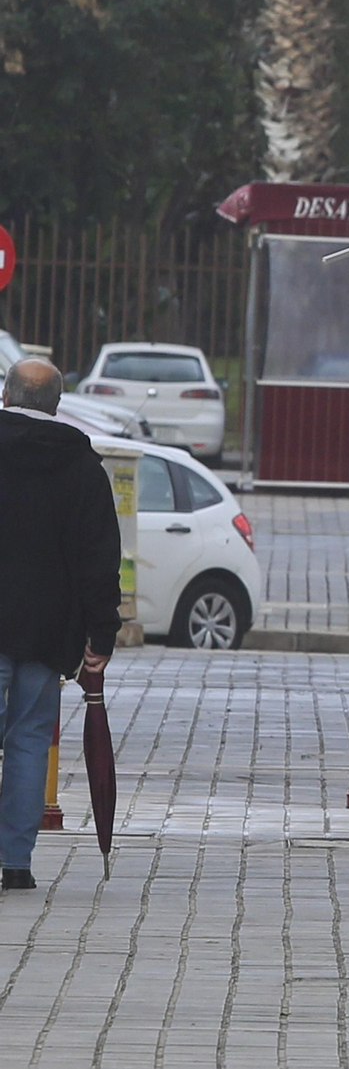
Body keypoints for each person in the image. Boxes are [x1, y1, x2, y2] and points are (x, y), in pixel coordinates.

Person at [0, 359, 122, 892]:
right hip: (47, 634)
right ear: (56, 405)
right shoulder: (81, 466)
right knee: (30, 741)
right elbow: (100, 557)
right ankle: (14, 862)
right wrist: (102, 633)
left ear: (6, 396)